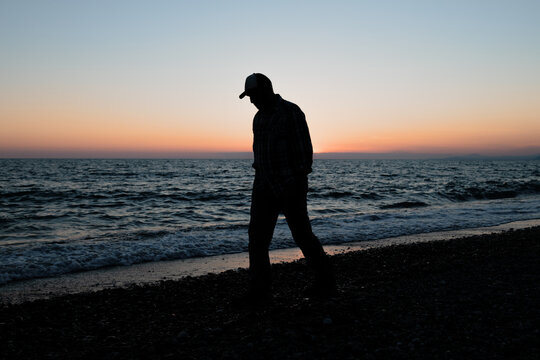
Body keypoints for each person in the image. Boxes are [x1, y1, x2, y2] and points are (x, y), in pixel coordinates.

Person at [239, 73, 336, 302]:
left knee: (302, 235)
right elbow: (259, 153)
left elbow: (305, 154)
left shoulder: (291, 112)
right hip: (263, 186)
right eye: (249, 97)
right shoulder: (258, 118)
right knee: (257, 239)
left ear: (266, 90)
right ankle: (260, 291)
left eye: (253, 95)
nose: (251, 101)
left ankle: (325, 282)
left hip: (290, 186)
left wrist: (295, 183)